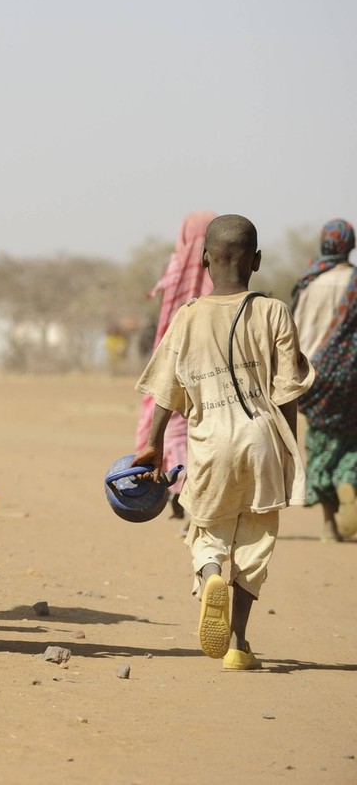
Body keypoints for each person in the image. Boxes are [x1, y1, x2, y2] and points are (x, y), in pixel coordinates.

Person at [135, 214, 313, 670]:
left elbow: (165, 390)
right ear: (256, 260)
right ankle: (238, 644)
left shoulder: (188, 316)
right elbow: (287, 391)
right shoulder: (274, 311)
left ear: (203, 259)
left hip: (210, 439)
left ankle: (212, 573)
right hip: (262, 439)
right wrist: (288, 446)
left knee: (206, 528)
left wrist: (153, 443)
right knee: (255, 540)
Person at [135, 211, 218, 521]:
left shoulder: (174, 268)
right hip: (212, 362)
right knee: (204, 426)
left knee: (173, 426)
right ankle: (197, 491)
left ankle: (176, 487)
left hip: (173, 355)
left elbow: (164, 309)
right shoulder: (222, 271)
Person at [290, 219, 357, 541]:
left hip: (316, 377)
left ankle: (329, 524)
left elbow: (294, 332)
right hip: (354, 378)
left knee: (319, 443)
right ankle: (348, 480)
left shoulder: (309, 282)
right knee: (351, 441)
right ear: (351, 244)